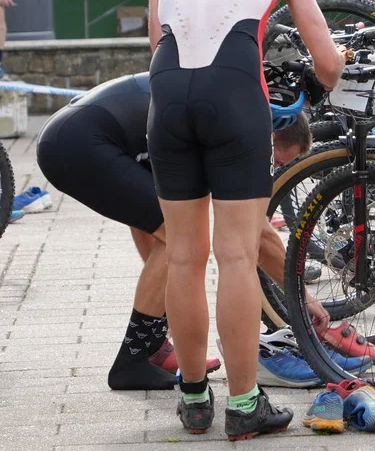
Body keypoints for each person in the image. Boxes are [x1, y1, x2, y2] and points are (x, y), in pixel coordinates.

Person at [146, 0, 345, 439]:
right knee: (235, 255)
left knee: (184, 257)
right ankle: (243, 405)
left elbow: (156, 46)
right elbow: (327, 65)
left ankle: (193, 399)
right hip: (234, 100)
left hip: (168, 103)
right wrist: (335, 67)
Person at [35, 72, 337, 393]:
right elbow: (258, 235)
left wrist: (166, 301)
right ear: (270, 135)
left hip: (68, 135)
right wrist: (302, 297)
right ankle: (132, 361)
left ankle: (149, 346)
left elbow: (147, 223)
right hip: (80, 141)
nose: (271, 170)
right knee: (182, 239)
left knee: (171, 234)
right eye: (274, 162)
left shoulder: (225, 99)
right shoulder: (237, 128)